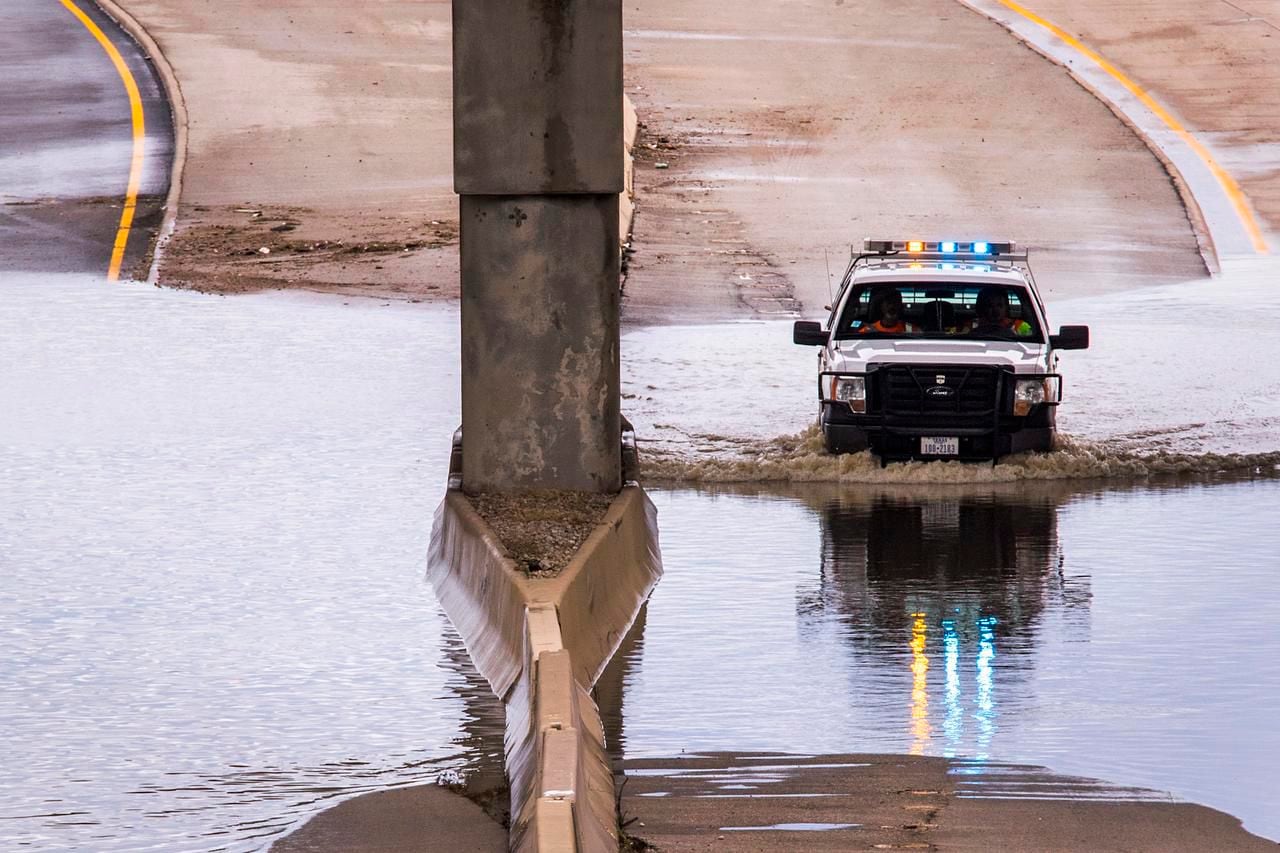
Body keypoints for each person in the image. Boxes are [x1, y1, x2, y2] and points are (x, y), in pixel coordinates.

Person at [966, 287, 1032, 337]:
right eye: (990, 306)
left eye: (1000, 305)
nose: (995, 310)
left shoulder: (1021, 326)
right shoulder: (970, 326)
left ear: (1006, 307)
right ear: (983, 308)